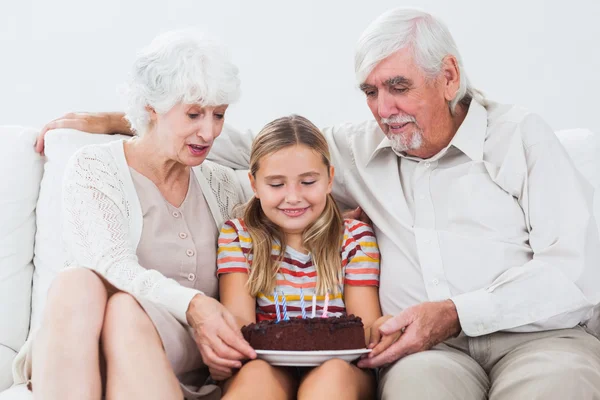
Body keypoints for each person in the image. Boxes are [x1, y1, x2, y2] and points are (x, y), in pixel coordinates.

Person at [34, 7, 600, 400]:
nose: (384, 108)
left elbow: (576, 268)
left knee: (557, 388)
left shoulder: (519, 137)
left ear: (448, 76)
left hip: (535, 337)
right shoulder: (360, 145)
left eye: (399, 87)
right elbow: (267, 153)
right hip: (431, 352)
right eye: (370, 92)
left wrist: (456, 311)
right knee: (419, 388)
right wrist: (128, 121)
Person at [15, 29, 256, 400]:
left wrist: (333, 219)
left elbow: (284, 156)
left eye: (219, 115)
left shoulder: (223, 184)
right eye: (193, 114)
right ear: (151, 108)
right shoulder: (95, 167)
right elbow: (110, 264)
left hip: (176, 350)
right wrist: (193, 304)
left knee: (126, 313)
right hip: (82, 344)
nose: (209, 132)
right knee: (77, 283)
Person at [215, 115, 388, 400]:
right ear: (254, 184)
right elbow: (240, 329)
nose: (293, 197)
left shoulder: (354, 238)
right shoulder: (239, 237)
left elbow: (364, 327)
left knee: (331, 376)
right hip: (265, 364)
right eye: (276, 185)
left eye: (308, 181)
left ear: (330, 179)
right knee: (256, 377)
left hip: (341, 366)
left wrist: (382, 332)